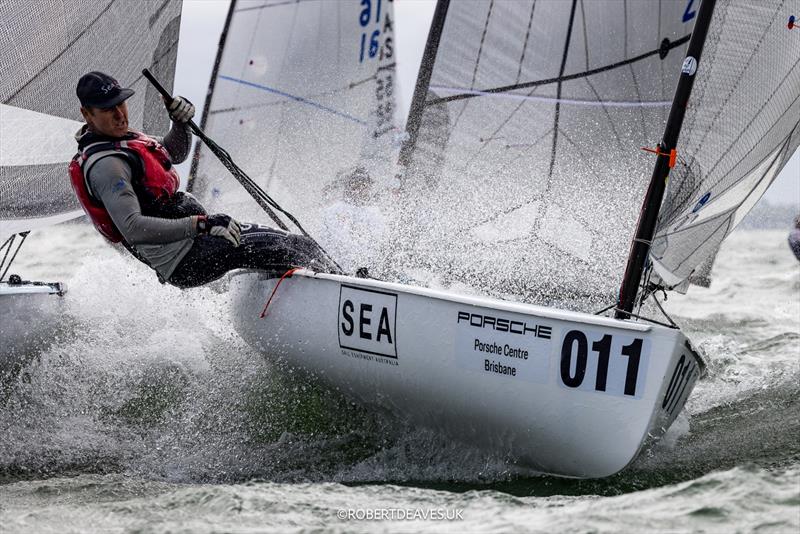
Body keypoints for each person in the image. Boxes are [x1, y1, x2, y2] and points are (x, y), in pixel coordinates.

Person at [69, 71, 336, 287]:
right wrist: (200, 225)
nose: (119, 114)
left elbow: (173, 152)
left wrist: (180, 123)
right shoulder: (106, 166)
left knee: (295, 243)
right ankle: (348, 288)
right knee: (295, 248)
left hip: (197, 242)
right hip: (186, 260)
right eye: (107, 110)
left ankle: (334, 280)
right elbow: (133, 228)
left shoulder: (122, 139)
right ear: (87, 114)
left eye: (121, 104)